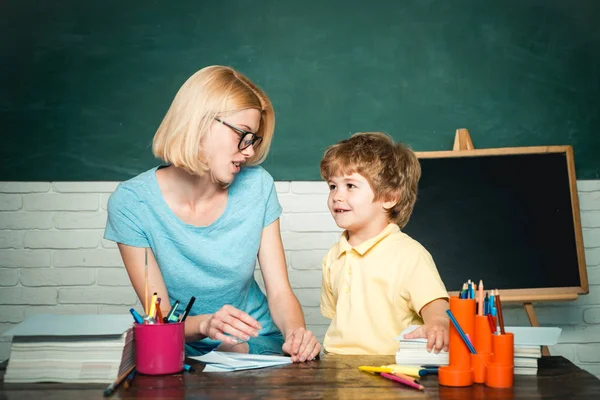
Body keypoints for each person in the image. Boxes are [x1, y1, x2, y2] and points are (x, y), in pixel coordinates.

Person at [105, 65, 320, 362]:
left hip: (257, 346)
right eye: (243, 135)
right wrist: (206, 324)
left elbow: (280, 291)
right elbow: (160, 317)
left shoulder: (257, 186)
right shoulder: (132, 203)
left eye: (253, 140)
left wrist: (297, 335)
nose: (248, 152)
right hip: (179, 350)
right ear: (200, 123)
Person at [319, 132, 449, 355]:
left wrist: (437, 322)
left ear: (389, 197)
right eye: (333, 186)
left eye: (350, 186)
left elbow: (435, 303)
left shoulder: (409, 254)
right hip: (337, 365)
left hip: (391, 368)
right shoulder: (334, 256)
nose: (337, 196)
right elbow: (337, 319)